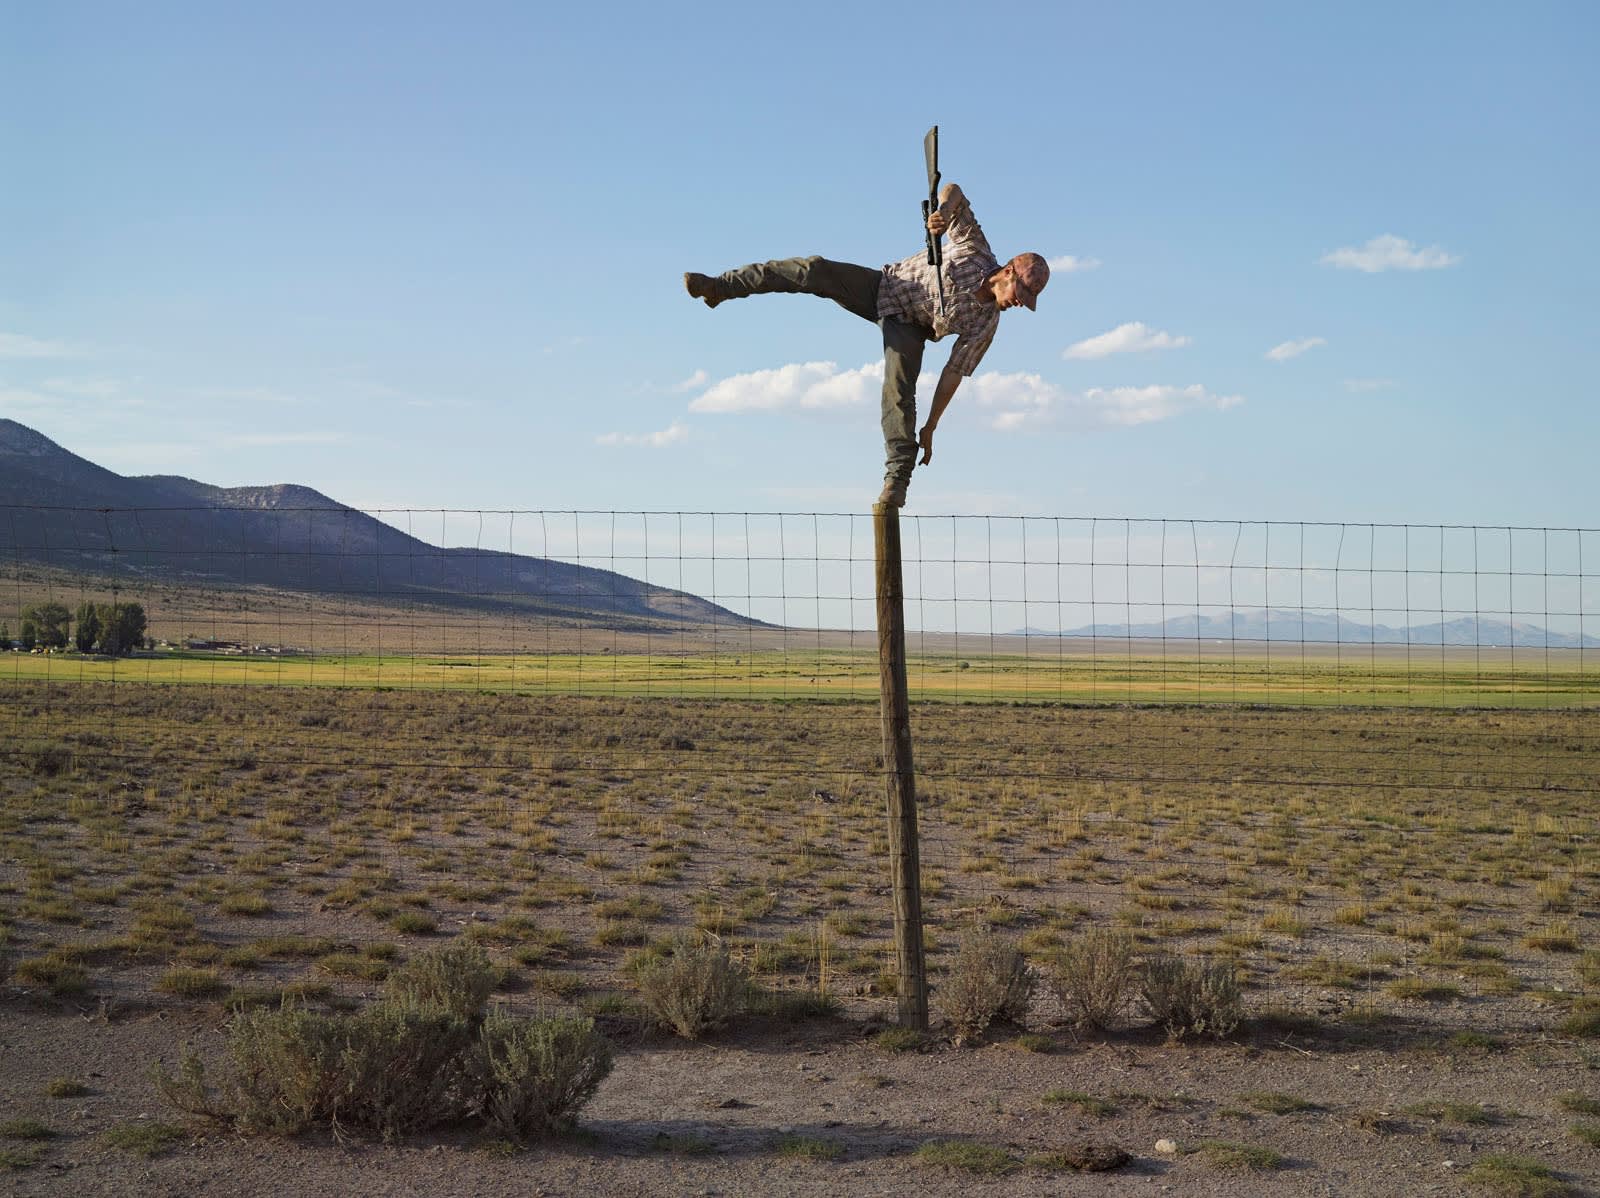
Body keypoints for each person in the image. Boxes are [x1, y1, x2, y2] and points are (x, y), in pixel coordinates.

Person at [685, 182, 1049, 507]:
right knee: (813, 270)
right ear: (1007, 273)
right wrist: (943, 213)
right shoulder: (975, 250)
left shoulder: (986, 322)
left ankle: (897, 480)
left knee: (898, 392)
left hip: (908, 327)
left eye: (1027, 301)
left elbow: (953, 373)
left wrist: (931, 426)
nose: (1020, 303)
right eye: (1021, 293)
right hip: (882, 287)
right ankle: (720, 287)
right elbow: (952, 189)